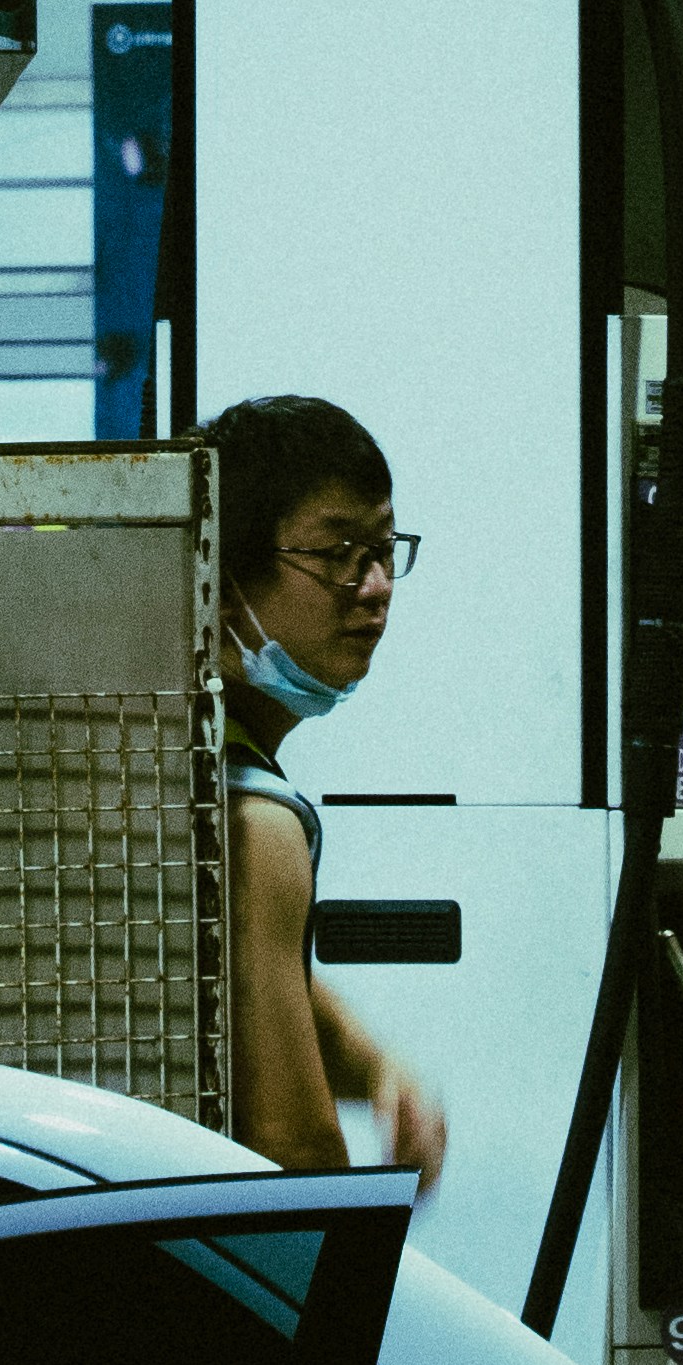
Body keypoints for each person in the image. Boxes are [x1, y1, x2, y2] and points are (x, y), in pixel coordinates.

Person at [208, 391, 447, 1188]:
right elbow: (294, 1153)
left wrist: (374, 1067)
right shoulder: (254, 821)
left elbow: (254, 973)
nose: (375, 585)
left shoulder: (196, 754)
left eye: (384, 549)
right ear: (223, 570)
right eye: (339, 552)